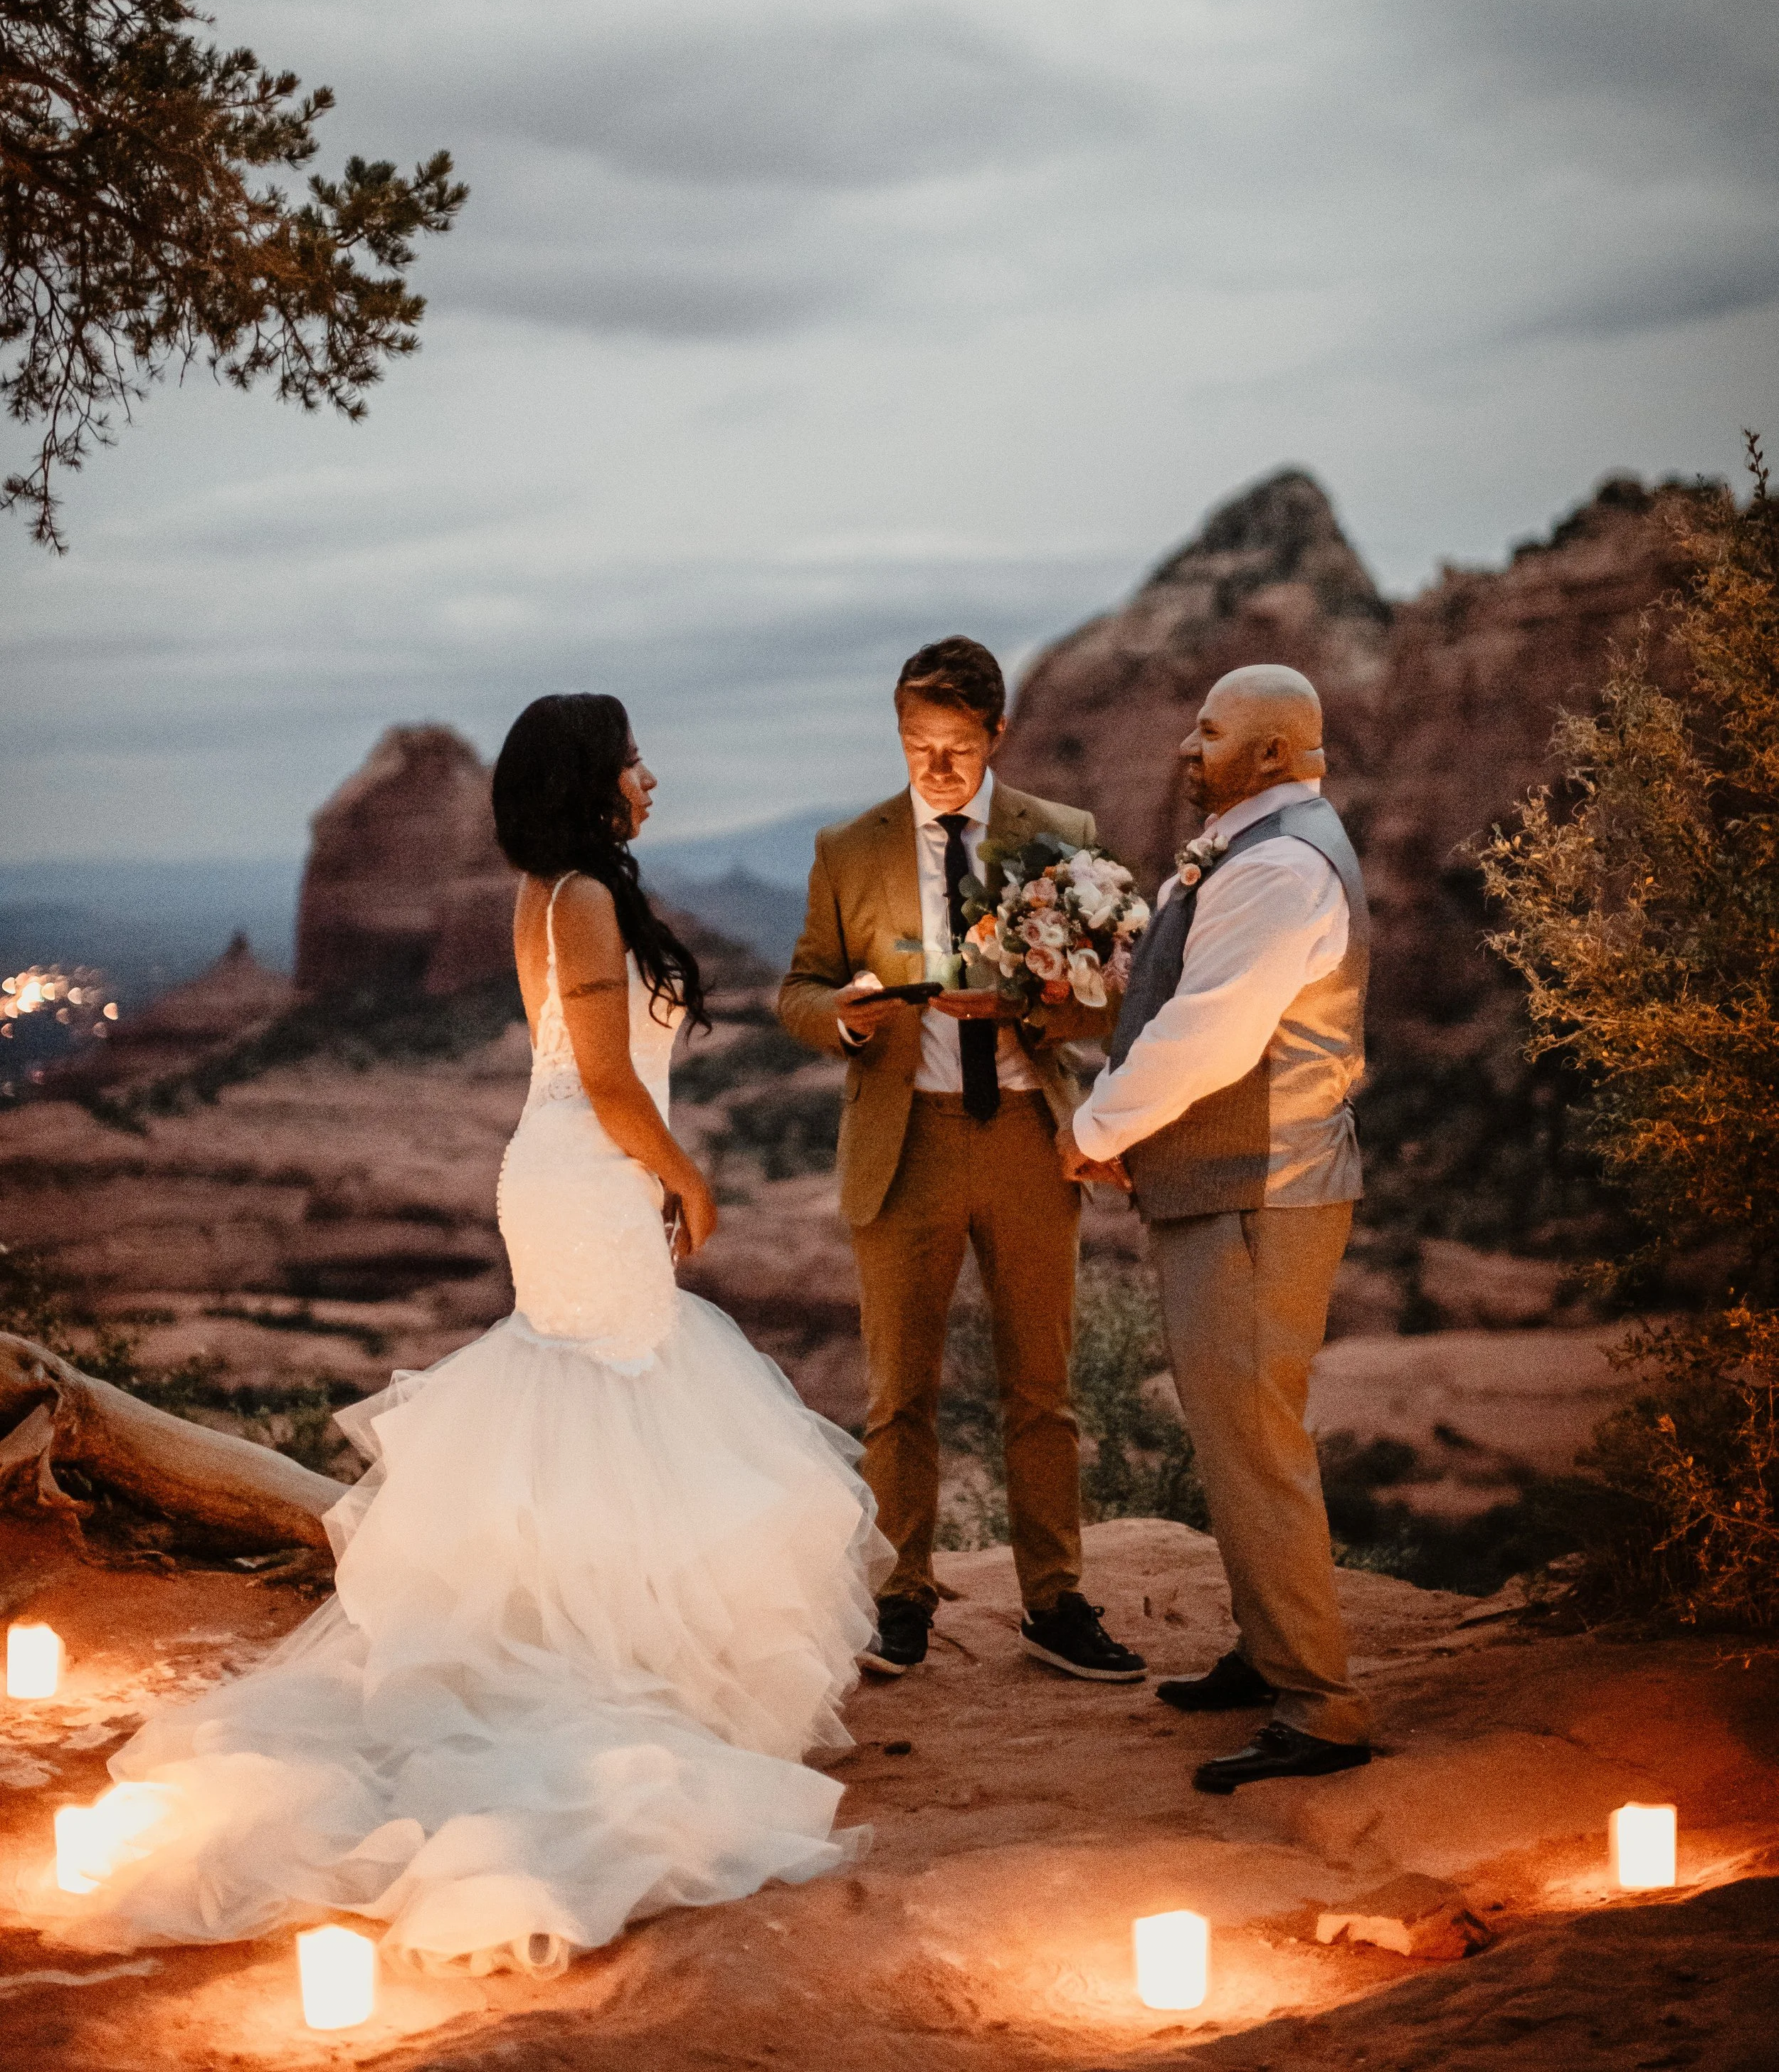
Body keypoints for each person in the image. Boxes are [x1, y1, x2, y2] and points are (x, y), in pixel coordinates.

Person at [37, 693, 887, 1972]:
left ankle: (587, 1640)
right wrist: (688, 1175)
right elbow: (606, 1077)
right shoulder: (585, 899)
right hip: (593, 1170)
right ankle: (611, 1669)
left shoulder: (551, 888)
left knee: (598, 1395)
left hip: (570, 1169)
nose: (651, 777)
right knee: (615, 1391)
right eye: (633, 760)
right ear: (592, 779)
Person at [779, 636, 1146, 1688]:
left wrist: (1018, 1003)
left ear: (997, 736)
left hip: (1030, 1140)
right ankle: (899, 1600)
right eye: (914, 744)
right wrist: (840, 1022)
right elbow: (796, 987)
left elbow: (1110, 995)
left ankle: (1056, 1599)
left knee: (1042, 1385)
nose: (934, 767)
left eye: (954, 746)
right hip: (907, 1143)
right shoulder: (849, 848)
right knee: (901, 1393)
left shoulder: (1063, 837)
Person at [1060, 663, 1373, 1792]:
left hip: (1260, 1189)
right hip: (1234, 1183)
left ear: (1276, 753)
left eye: (1211, 729)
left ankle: (1322, 1705)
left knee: (1252, 1432)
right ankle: (1269, 1647)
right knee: (1234, 1424)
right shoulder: (1259, 846)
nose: (1187, 746)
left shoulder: (1282, 866)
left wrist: (1095, 1128)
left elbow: (1214, 1032)